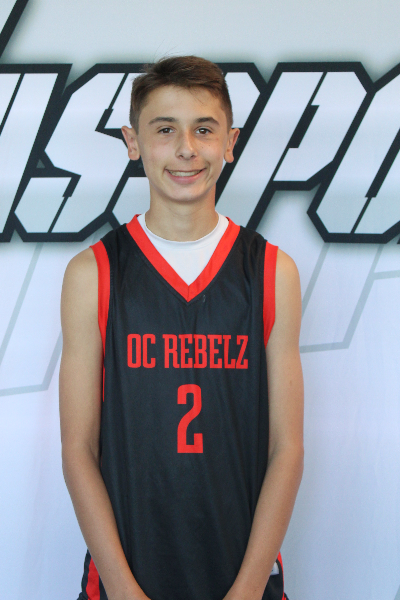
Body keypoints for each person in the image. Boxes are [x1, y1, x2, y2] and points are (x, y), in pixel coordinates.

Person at [59, 55, 304, 600]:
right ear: (133, 141)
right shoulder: (93, 273)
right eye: (165, 130)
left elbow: (287, 448)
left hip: (241, 579)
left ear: (231, 143)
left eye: (204, 129)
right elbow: (78, 450)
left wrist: (247, 591)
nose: (186, 148)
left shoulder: (271, 272)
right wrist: (123, 589)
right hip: (124, 580)